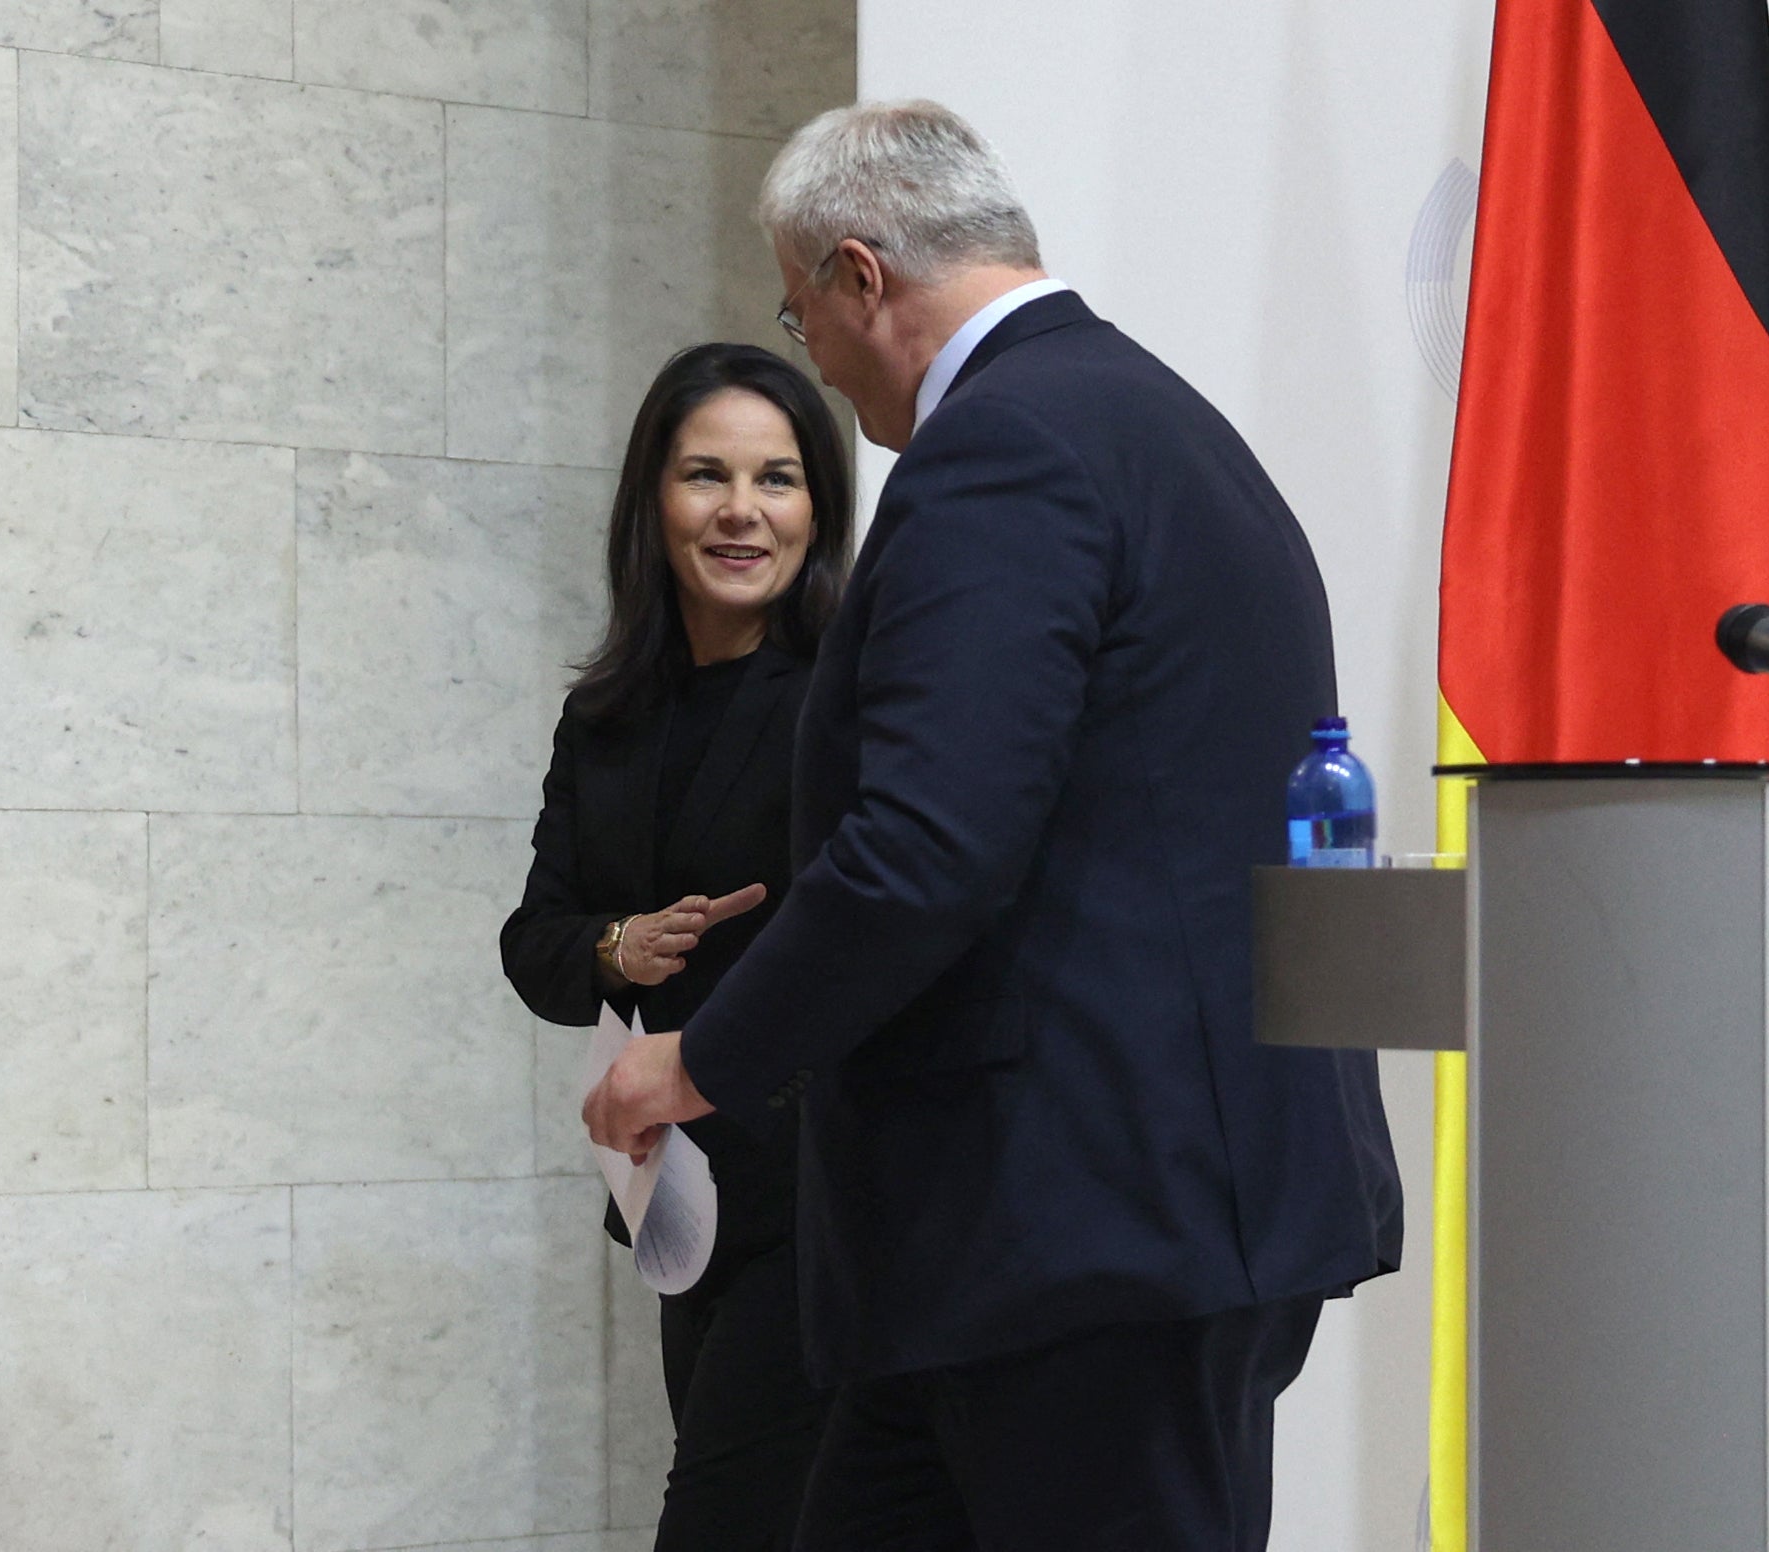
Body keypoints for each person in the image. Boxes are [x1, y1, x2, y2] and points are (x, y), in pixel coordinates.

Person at [585, 102, 1403, 1551]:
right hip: (1075, 1231)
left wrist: (702, 1062)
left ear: (859, 275)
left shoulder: (1002, 449)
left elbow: (925, 848)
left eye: (800, 312)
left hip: (1082, 1234)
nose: (814, 359)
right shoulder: (1152, 419)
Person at [501, 341, 853, 1552]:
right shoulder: (606, 714)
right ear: (653, 498)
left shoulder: (847, 702)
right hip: (677, 1200)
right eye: (708, 474)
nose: (744, 511)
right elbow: (534, 943)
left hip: (824, 1196)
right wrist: (617, 946)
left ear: (822, 507)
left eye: (781, 478)